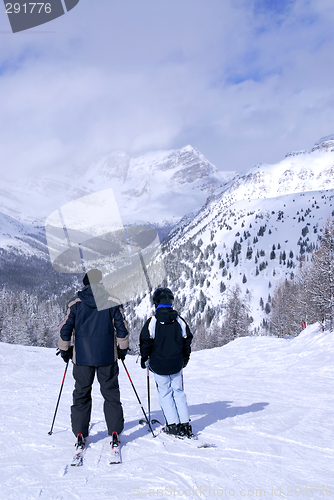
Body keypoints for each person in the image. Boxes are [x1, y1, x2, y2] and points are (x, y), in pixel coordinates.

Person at [58, 268, 129, 449]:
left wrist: (65, 350)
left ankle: (80, 433)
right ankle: (114, 431)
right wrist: (122, 349)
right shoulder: (112, 301)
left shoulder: (75, 303)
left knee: (81, 394)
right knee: (111, 394)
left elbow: (65, 328)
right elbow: (122, 329)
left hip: (82, 358)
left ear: (85, 283)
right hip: (107, 357)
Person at [139, 287, 194, 438]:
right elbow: (187, 340)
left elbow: (145, 342)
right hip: (176, 364)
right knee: (179, 392)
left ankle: (172, 425)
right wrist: (185, 358)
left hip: (158, 365)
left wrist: (145, 359)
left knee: (165, 393)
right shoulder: (179, 320)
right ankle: (185, 424)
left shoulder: (153, 321)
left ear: (156, 303)